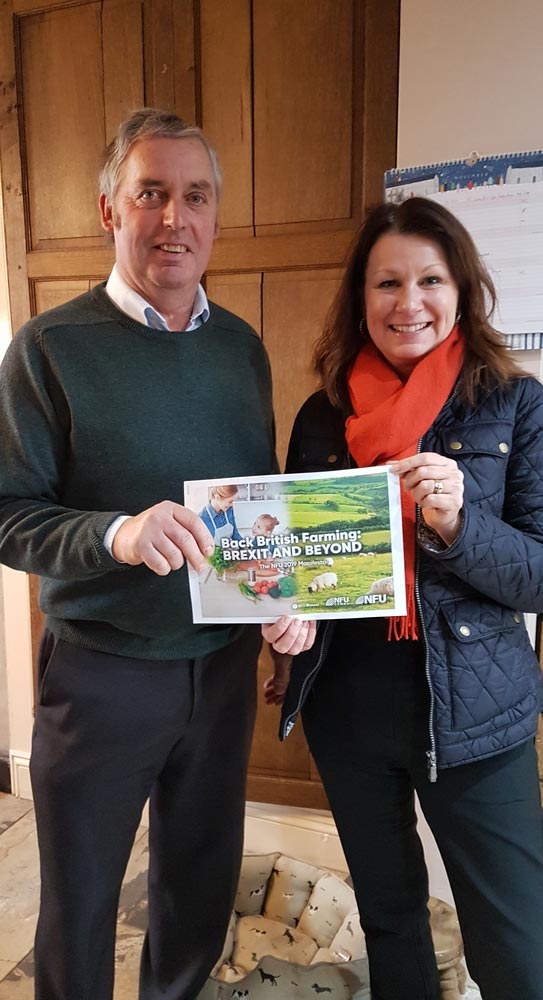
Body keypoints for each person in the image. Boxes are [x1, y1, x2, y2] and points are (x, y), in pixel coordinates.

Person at [0, 108, 277, 1000]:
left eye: (194, 197)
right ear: (108, 212)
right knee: (80, 904)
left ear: (215, 220)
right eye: (149, 193)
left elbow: (256, 507)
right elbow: (8, 513)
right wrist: (112, 533)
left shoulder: (242, 348)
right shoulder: (48, 348)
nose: (174, 219)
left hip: (222, 667)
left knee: (197, 887)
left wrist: (284, 595)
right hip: (104, 675)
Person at [263, 197, 543, 1000]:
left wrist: (458, 522)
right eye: (387, 283)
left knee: (515, 939)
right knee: (387, 917)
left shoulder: (512, 405)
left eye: (429, 279)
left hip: (477, 718)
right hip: (348, 708)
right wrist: (287, 622)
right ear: (360, 296)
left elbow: (536, 571)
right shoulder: (322, 415)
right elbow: (296, 561)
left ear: (460, 290)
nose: (408, 302)